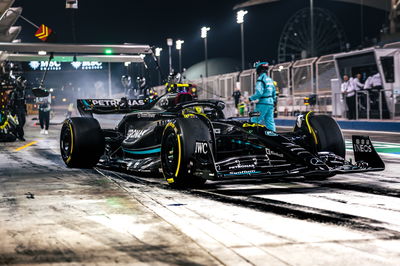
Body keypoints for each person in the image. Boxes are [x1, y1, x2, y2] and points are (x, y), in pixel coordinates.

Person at [249, 62, 277, 131]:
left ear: (258, 70)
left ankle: (253, 137)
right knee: (270, 122)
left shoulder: (260, 79)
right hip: (270, 103)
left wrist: (250, 98)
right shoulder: (270, 80)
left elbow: (259, 93)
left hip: (262, 103)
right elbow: (274, 93)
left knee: (255, 120)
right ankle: (273, 137)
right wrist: (274, 101)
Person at [9, 76, 27, 141]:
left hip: (22, 108)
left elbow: (24, 101)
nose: (24, 84)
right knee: (20, 123)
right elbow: (11, 102)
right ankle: (21, 136)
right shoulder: (14, 92)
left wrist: (25, 109)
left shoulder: (24, 91)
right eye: (23, 83)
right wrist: (12, 110)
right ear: (19, 83)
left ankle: (15, 131)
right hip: (17, 108)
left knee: (23, 121)